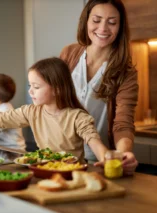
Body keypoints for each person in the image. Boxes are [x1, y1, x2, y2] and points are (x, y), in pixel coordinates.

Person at [0, 57, 109, 163]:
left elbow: (93, 140)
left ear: (57, 89)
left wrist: (105, 159)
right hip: (44, 171)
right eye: (30, 86)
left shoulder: (77, 117)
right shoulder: (31, 112)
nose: (30, 91)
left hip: (72, 175)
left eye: (36, 87)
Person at [60, 0, 138, 175]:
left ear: (120, 27)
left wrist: (123, 152)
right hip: (60, 155)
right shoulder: (69, 54)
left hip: (99, 160)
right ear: (86, 21)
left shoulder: (126, 72)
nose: (103, 28)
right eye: (96, 20)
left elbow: (123, 122)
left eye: (112, 22)